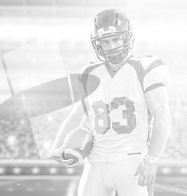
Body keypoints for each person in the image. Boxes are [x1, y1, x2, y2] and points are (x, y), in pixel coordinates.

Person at [51, 9, 171, 196]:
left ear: (127, 38)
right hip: (96, 160)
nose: (112, 46)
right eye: (105, 42)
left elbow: (162, 116)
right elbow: (76, 115)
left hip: (132, 160)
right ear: (98, 45)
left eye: (116, 39)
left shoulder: (145, 67)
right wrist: (57, 146)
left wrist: (152, 159)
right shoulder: (90, 72)